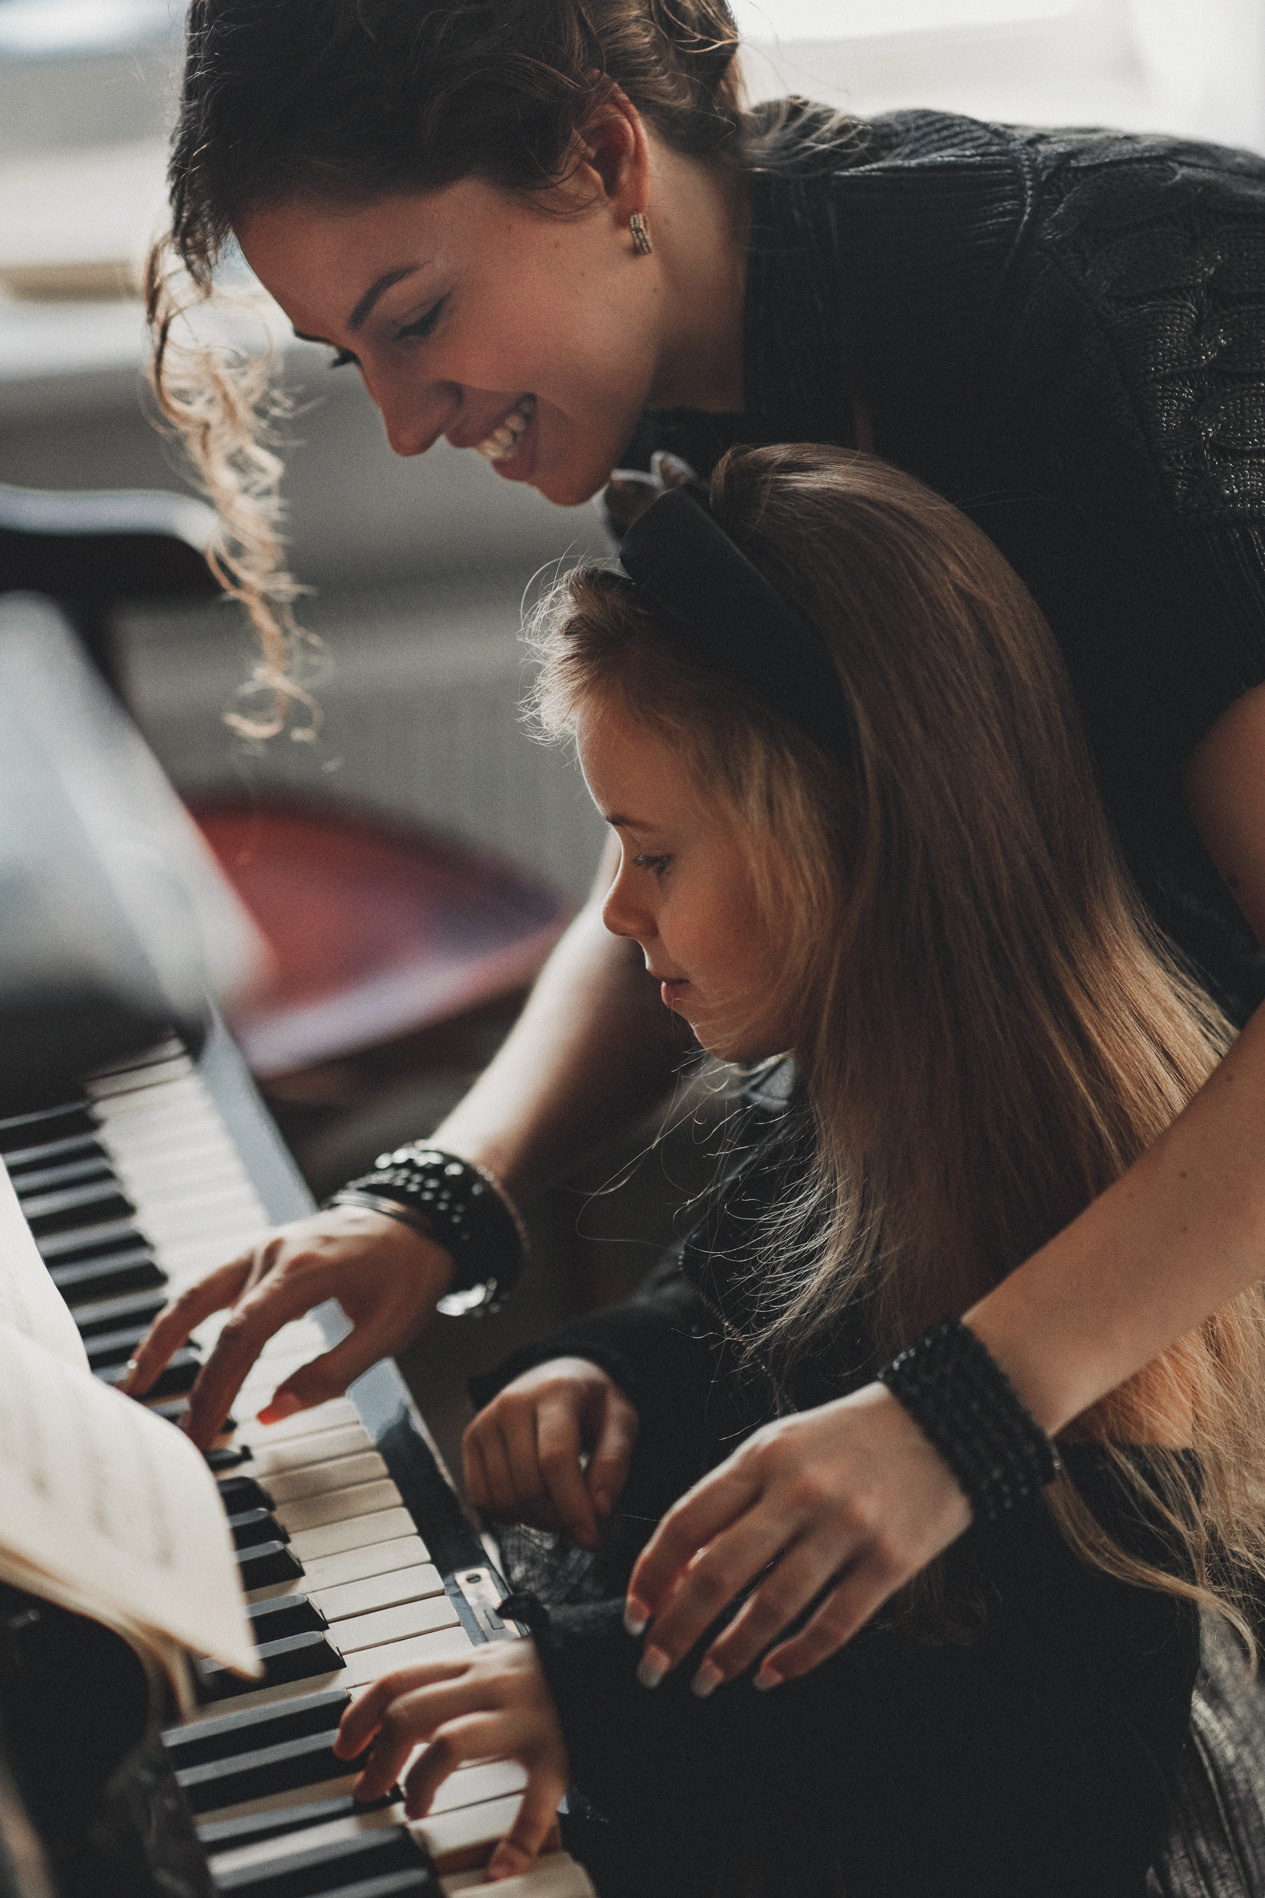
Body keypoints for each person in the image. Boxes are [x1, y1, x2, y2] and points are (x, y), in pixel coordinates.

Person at [125, 0, 1265, 1685]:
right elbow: (669, 847)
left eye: (417, 316)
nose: (404, 420)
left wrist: (957, 1411)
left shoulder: (1071, 321)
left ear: (602, 156)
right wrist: (449, 1192)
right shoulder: (668, 386)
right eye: (347, 356)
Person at [326, 443, 1265, 1896]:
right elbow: (739, 1307)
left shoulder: (1087, 1199)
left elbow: (1039, 1756)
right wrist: (613, 1369)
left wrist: (596, 1708)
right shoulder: (850, 1059)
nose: (622, 916)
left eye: (650, 853)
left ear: (846, 840)